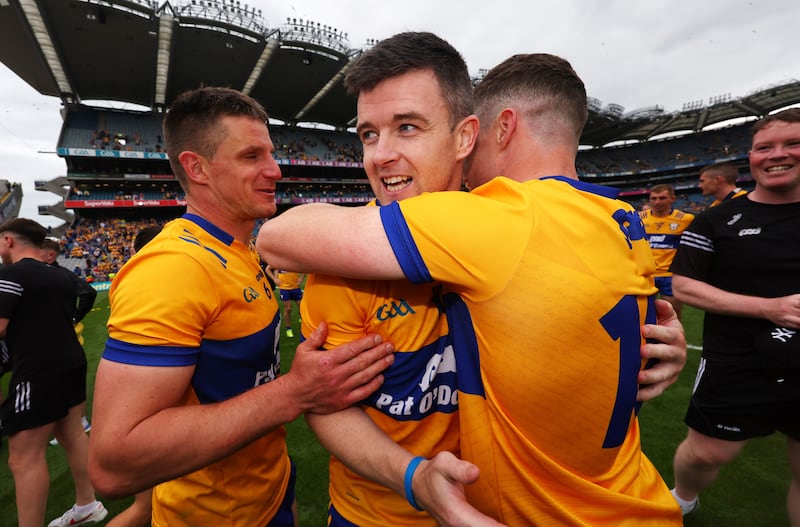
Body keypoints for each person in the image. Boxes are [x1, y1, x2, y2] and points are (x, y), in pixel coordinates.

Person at [258, 53, 684, 525]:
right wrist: (412, 476)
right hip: (380, 515)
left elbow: (276, 236)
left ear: (468, 136)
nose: (380, 155)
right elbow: (330, 407)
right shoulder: (337, 264)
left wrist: (656, 353)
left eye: (408, 127)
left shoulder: (498, 224)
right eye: (368, 135)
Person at [87, 87, 395, 527]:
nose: (275, 169)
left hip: (267, 497)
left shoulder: (240, 248)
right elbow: (115, 464)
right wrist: (294, 392)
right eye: (252, 157)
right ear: (198, 168)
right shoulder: (173, 268)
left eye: (270, 153)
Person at [669, 107, 800, 522]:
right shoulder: (716, 220)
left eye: (793, 143)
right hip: (736, 358)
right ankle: (684, 495)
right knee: (708, 453)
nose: (777, 154)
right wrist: (769, 308)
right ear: (752, 157)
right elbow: (685, 285)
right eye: (765, 147)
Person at [0, 218, 108, 527]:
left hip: (36, 370)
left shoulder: (10, 274)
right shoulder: (61, 276)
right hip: (71, 362)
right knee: (72, 434)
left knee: (23, 457)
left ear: (8, 240)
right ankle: (87, 503)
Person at [105, 223, 162, 527]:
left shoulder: (129, 279)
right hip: (147, 411)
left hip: (134, 404)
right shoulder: (150, 282)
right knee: (145, 508)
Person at [39, 237, 96, 443]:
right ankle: (80, 421)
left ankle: (76, 422)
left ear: (50, 255)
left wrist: (74, 317)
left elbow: (88, 293)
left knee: (63, 382)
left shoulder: (55, 274)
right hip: (67, 336)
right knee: (71, 381)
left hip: (62, 338)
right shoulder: (59, 274)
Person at [639, 184, 695, 319]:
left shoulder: (686, 220)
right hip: (646, 275)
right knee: (643, 316)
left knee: (673, 316)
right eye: (654, 198)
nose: (657, 202)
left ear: (672, 199)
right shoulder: (640, 218)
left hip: (670, 275)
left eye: (662, 198)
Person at [274, 268, 305, 338]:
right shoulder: (279, 261)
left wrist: (301, 278)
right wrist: (275, 278)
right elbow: (269, 269)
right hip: (284, 288)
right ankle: (288, 328)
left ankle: (301, 316)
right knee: (288, 308)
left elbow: (303, 267)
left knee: (301, 305)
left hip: (295, 287)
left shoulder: (293, 259)